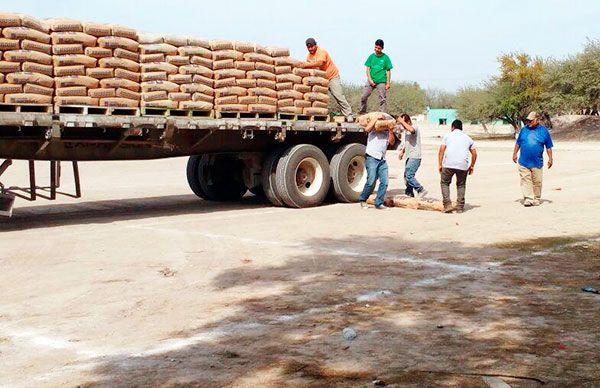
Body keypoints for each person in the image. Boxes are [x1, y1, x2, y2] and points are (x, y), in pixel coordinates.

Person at [299, 38, 353, 120]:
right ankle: (319, 115)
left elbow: (320, 63)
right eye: (308, 47)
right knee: (319, 99)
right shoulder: (309, 56)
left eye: (312, 47)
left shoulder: (321, 51)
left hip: (332, 77)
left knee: (338, 96)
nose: (310, 49)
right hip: (321, 81)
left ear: (315, 45)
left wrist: (305, 65)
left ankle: (348, 115)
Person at [358, 112, 399, 210]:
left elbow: (392, 142)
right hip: (372, 157)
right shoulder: (374, 128)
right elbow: (366, 129)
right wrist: (375, 118)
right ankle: (363, 199)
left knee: (384, 182)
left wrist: (390, 131)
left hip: (382, 159)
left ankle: (379, 203)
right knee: (371, 181)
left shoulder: (386, 131)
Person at [512, 111, 554, 207]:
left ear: (537, 120)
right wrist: (514, 153)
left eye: (531, 120)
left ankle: (536, 198)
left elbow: (548, 147)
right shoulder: (524, 130)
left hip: (537, 162)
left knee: (537, 181)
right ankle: (528, 198)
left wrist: (550, 158)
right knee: (525, 180)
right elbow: (518, 143)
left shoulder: (544, 131)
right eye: (528, 120)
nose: (529, 122)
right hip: (523, 161)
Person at [438, 119, 477, 213]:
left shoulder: (447, 136)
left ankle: (447, 205)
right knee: (461, 185)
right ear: (461, 128)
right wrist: (472, 166)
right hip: (463, 164)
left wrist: (440, 164)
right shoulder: (468, 138)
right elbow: (474, 154)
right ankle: (460, 207)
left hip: (448, 164)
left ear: (452, 127)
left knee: (445, 183)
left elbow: (441, 151)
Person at [359, 39, 393, 114]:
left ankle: (382, 114)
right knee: (364, 96)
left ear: (382, 48)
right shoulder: (371, 57)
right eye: (376, 47)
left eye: (379, 48)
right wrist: (370, 80)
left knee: (382, 98)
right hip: (371, 79)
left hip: (381, 81)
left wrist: (388, 83)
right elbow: (367, 69)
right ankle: (362, 111)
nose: (377, 49)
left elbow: (388, 71)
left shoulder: (385, 58)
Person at [398, 113, 427, 198]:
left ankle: (420, 189)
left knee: (409, 175)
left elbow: (412, 130)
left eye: (403, 123)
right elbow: (407, 143)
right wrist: (402, 152)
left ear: (408, 121)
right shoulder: (406, 131)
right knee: (406, 177)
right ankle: (409, 193)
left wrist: (402, 122)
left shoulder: (414, 127)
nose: (402, 126)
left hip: (415, 156)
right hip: (409, 156)